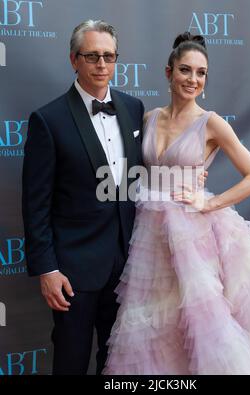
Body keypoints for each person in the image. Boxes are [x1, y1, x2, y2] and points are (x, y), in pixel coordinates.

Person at [103, 32, 250, 375]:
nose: (193, 79)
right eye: (185, 70)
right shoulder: (148, 118)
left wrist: (210, 203)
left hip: (193, 233)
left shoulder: (211, 123)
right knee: (161, 323)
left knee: (203, 320)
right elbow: (136, 172)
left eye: (200, 73)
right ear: (168, 73)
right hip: (149, 236)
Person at [22, 20, 144, 375]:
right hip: (72, 273)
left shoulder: (134, 108)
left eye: (109, 56)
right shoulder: (48, 119)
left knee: (118, 365)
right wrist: (47, 269)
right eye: (92, 56)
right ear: (74, 59)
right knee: (71, 364)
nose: (101, 65)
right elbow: (36, 204)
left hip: (127, 268)